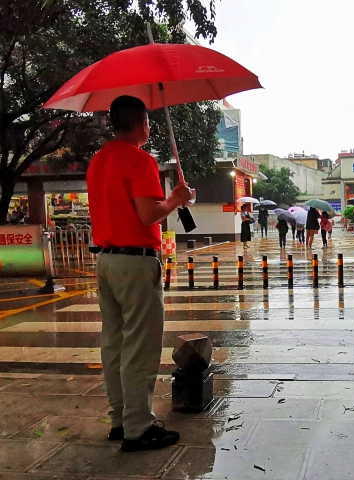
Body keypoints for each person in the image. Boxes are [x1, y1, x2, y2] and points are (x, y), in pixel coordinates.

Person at [87, 95, 192, 452]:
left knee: (113, 342)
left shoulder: (98, 162)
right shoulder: (140, 160)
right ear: (143, 125)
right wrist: (177, 198)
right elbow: (148, 214)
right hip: (135, 262)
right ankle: (138, 428)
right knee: (139, 347)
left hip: (105, 261)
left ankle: (119, 419)